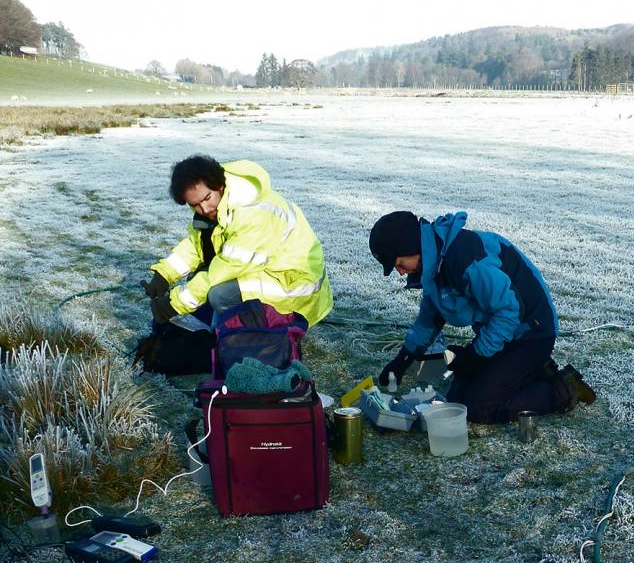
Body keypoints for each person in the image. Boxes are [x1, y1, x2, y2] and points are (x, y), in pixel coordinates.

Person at [368, 210, 595, 424]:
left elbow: (510, 311)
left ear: (413, 247)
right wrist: (403, 360)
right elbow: (431, 317)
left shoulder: (465, 259)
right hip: (500, 334)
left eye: (399, 263)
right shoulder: (433, 263)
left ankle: (564, 389)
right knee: (457, 401)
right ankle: (529, 372)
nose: (400, 271)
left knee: (479, 407)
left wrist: (475, 355)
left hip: (531, 333)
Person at [141, 155, 332, 371]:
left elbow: (221, 272)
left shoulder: (254, 213)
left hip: (294, 283)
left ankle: (247, 342)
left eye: (206, 198)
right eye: (194, 205)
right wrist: (164, 274)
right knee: (199, 279)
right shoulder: (219, 204)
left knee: (219, 294)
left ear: (218, 185)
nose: (204, 209)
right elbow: (196, 247)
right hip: (264, 270)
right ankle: (229, 334)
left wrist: (174, 304)